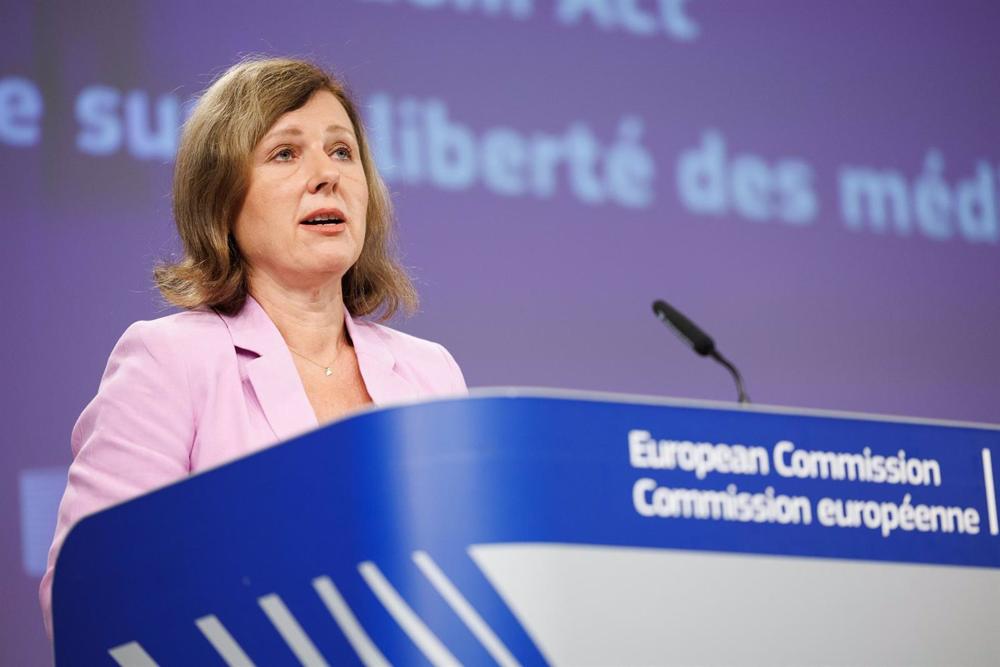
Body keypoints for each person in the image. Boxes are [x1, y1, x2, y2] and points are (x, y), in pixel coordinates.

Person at [39, 57, 466, 638]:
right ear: (222, 199)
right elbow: (86, 596)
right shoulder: (170, 361)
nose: (327, 174)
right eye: (286, 153)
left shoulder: (428, 371)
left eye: (342, 152)